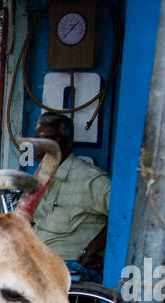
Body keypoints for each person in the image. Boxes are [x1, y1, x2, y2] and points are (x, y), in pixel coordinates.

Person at [30, 112, 111, 276]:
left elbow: (125, 216)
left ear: (68, 144)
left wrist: (91, 251)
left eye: (49, 140)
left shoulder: (89, 179)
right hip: (39, 262)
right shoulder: (41, 176)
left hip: (69, 268)